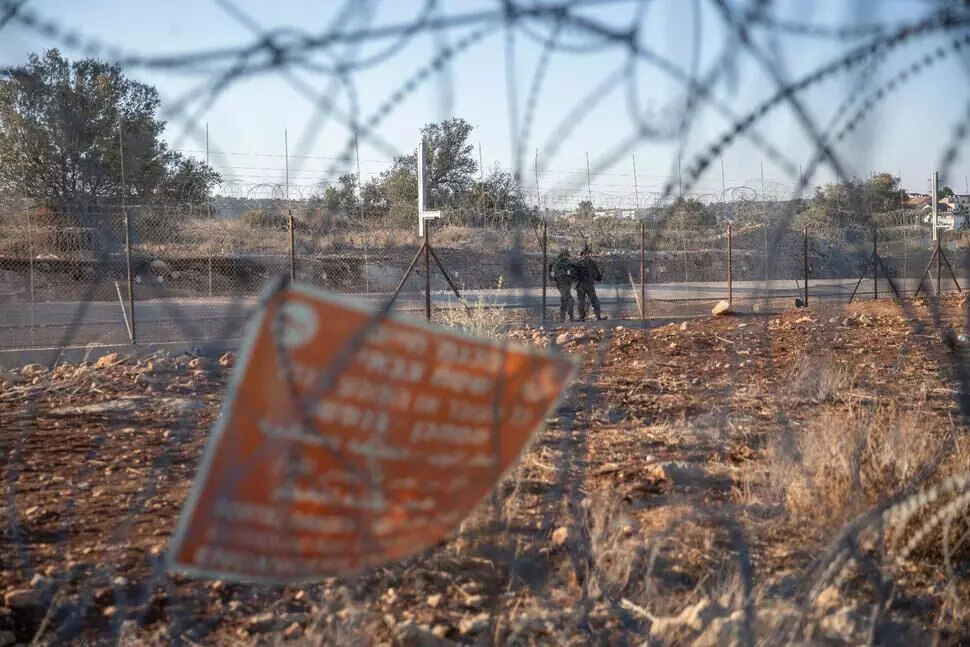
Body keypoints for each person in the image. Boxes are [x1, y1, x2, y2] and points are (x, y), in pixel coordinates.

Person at [575, 244, 605, 321]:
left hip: (589, 285)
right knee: (581, 302)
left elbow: (597, 274)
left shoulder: (592, 263)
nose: (586, 255)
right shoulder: (578, 264)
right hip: (581, 285)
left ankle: (598, 316)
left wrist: (598, 277)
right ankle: (582, 317)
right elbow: (574, 275)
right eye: (585, 254)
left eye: (588, 253)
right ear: (582, 255)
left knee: (595, 301)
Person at [548, 249, 578, 322]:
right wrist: (557, 276)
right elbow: (553, 272)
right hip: (562, 284)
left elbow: (572, 271)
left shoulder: (567, 262)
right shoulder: (558, 263)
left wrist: (570, 273)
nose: (567, 257)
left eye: (567, 255)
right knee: (570, 300)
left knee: (564, 300)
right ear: (562, 255)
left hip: (567, 283)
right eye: (566, 255)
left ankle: (562, 318)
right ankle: (570, 317)